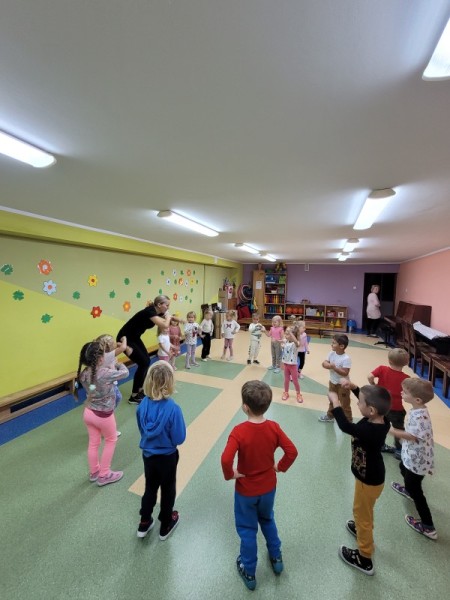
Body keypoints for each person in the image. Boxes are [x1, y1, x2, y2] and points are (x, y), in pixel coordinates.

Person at [221, 380, 298, 591]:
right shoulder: (274, 427)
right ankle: (276, 557)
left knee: (247, 530)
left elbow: (226, 459)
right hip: (268, 487)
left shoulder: (239, 431)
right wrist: (280, 467)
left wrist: (231, 475)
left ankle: (249, 571)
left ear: (245, 407)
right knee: (267, 519)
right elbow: (292, 451)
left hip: (246, 491)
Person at [328, 384, 391, 576]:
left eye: (360, 402)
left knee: (362, 513)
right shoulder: (382, 420)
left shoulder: (370, 430)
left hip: (368, 479)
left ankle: (364, 557)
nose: (357, 403)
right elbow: (370, 403)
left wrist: (336, 402)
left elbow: (345, 426)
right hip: (369, 476)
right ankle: (363, 530)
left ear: (371, 410)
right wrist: (356, 389)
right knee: (365, 509)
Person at [136, 361, 187, 540]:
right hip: (167, 457)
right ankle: (166, 524)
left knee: (150, 487)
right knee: (168, 489)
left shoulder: (142, 405)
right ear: (170, 382)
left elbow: (142, 430)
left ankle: (144, 521)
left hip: (148, 456)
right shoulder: (173, 409)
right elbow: (179, 438)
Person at [75, 341, 129, 486]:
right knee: (111, 440)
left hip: (88, 413)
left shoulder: (84, 374)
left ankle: (94, 472)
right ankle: (104, 474)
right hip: (103, 415)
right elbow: (125, 373)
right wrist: (118, 364)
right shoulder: (104, 373)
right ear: (100, 359)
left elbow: (94, 386)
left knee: (94, 443)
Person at [389, 378, 437, 540]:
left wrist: (392, 431)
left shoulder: (420, 416)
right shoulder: (417, 410)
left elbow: (411, 436)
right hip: (412, 455)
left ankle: (428, 527)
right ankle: (409, 489)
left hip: (418, 461)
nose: (401, 392)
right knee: (402, 467)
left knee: (417, 491)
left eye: (405, 392)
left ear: (417, 400)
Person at [116, 295, 182, 405]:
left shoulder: (156, 312)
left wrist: (180, 319)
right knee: (143, 363)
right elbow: (165, 325)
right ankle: (134, 396)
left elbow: (168, 317)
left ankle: (140, 390)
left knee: (146, 361)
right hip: (125, 339)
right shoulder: (150, 312)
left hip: (134, 338)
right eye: (167, 305)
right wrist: (168, 317)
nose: (168, 308)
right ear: (159, 305)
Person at [368, 348, 410, 456]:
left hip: (381, 406)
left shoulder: (382, 369)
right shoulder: (406, 379)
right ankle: (399, 450)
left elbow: (370, 376)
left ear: (389, 361)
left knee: (380, 426)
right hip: (397, 409)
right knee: (398, 428)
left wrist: (373, 385)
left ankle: (380, 445)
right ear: (406, 363)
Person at [319, 334, 352, 423]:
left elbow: (345, 372)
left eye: (334, 343)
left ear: (341, 346)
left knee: (345, 403)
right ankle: (330, 415)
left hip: (343, 385)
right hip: (332, 382)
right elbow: (324, 363)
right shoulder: (331, 353)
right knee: (332, 400)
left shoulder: (346, 358)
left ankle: (348, 420)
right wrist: (328, 365)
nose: (331, 344)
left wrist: (334, 368)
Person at [281, 325, 303, 403]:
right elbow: (283, 345)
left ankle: (298, 394)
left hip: (293, 366)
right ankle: (286, 392)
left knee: (295, 380)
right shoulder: (286, 341)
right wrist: (281, 344)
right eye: (286, 332)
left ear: (293, 335)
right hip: (286, 364)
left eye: (288, 333)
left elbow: (297, 343)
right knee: (286, 380)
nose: (286, 334)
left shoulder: (295, 343)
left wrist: (291, 333)